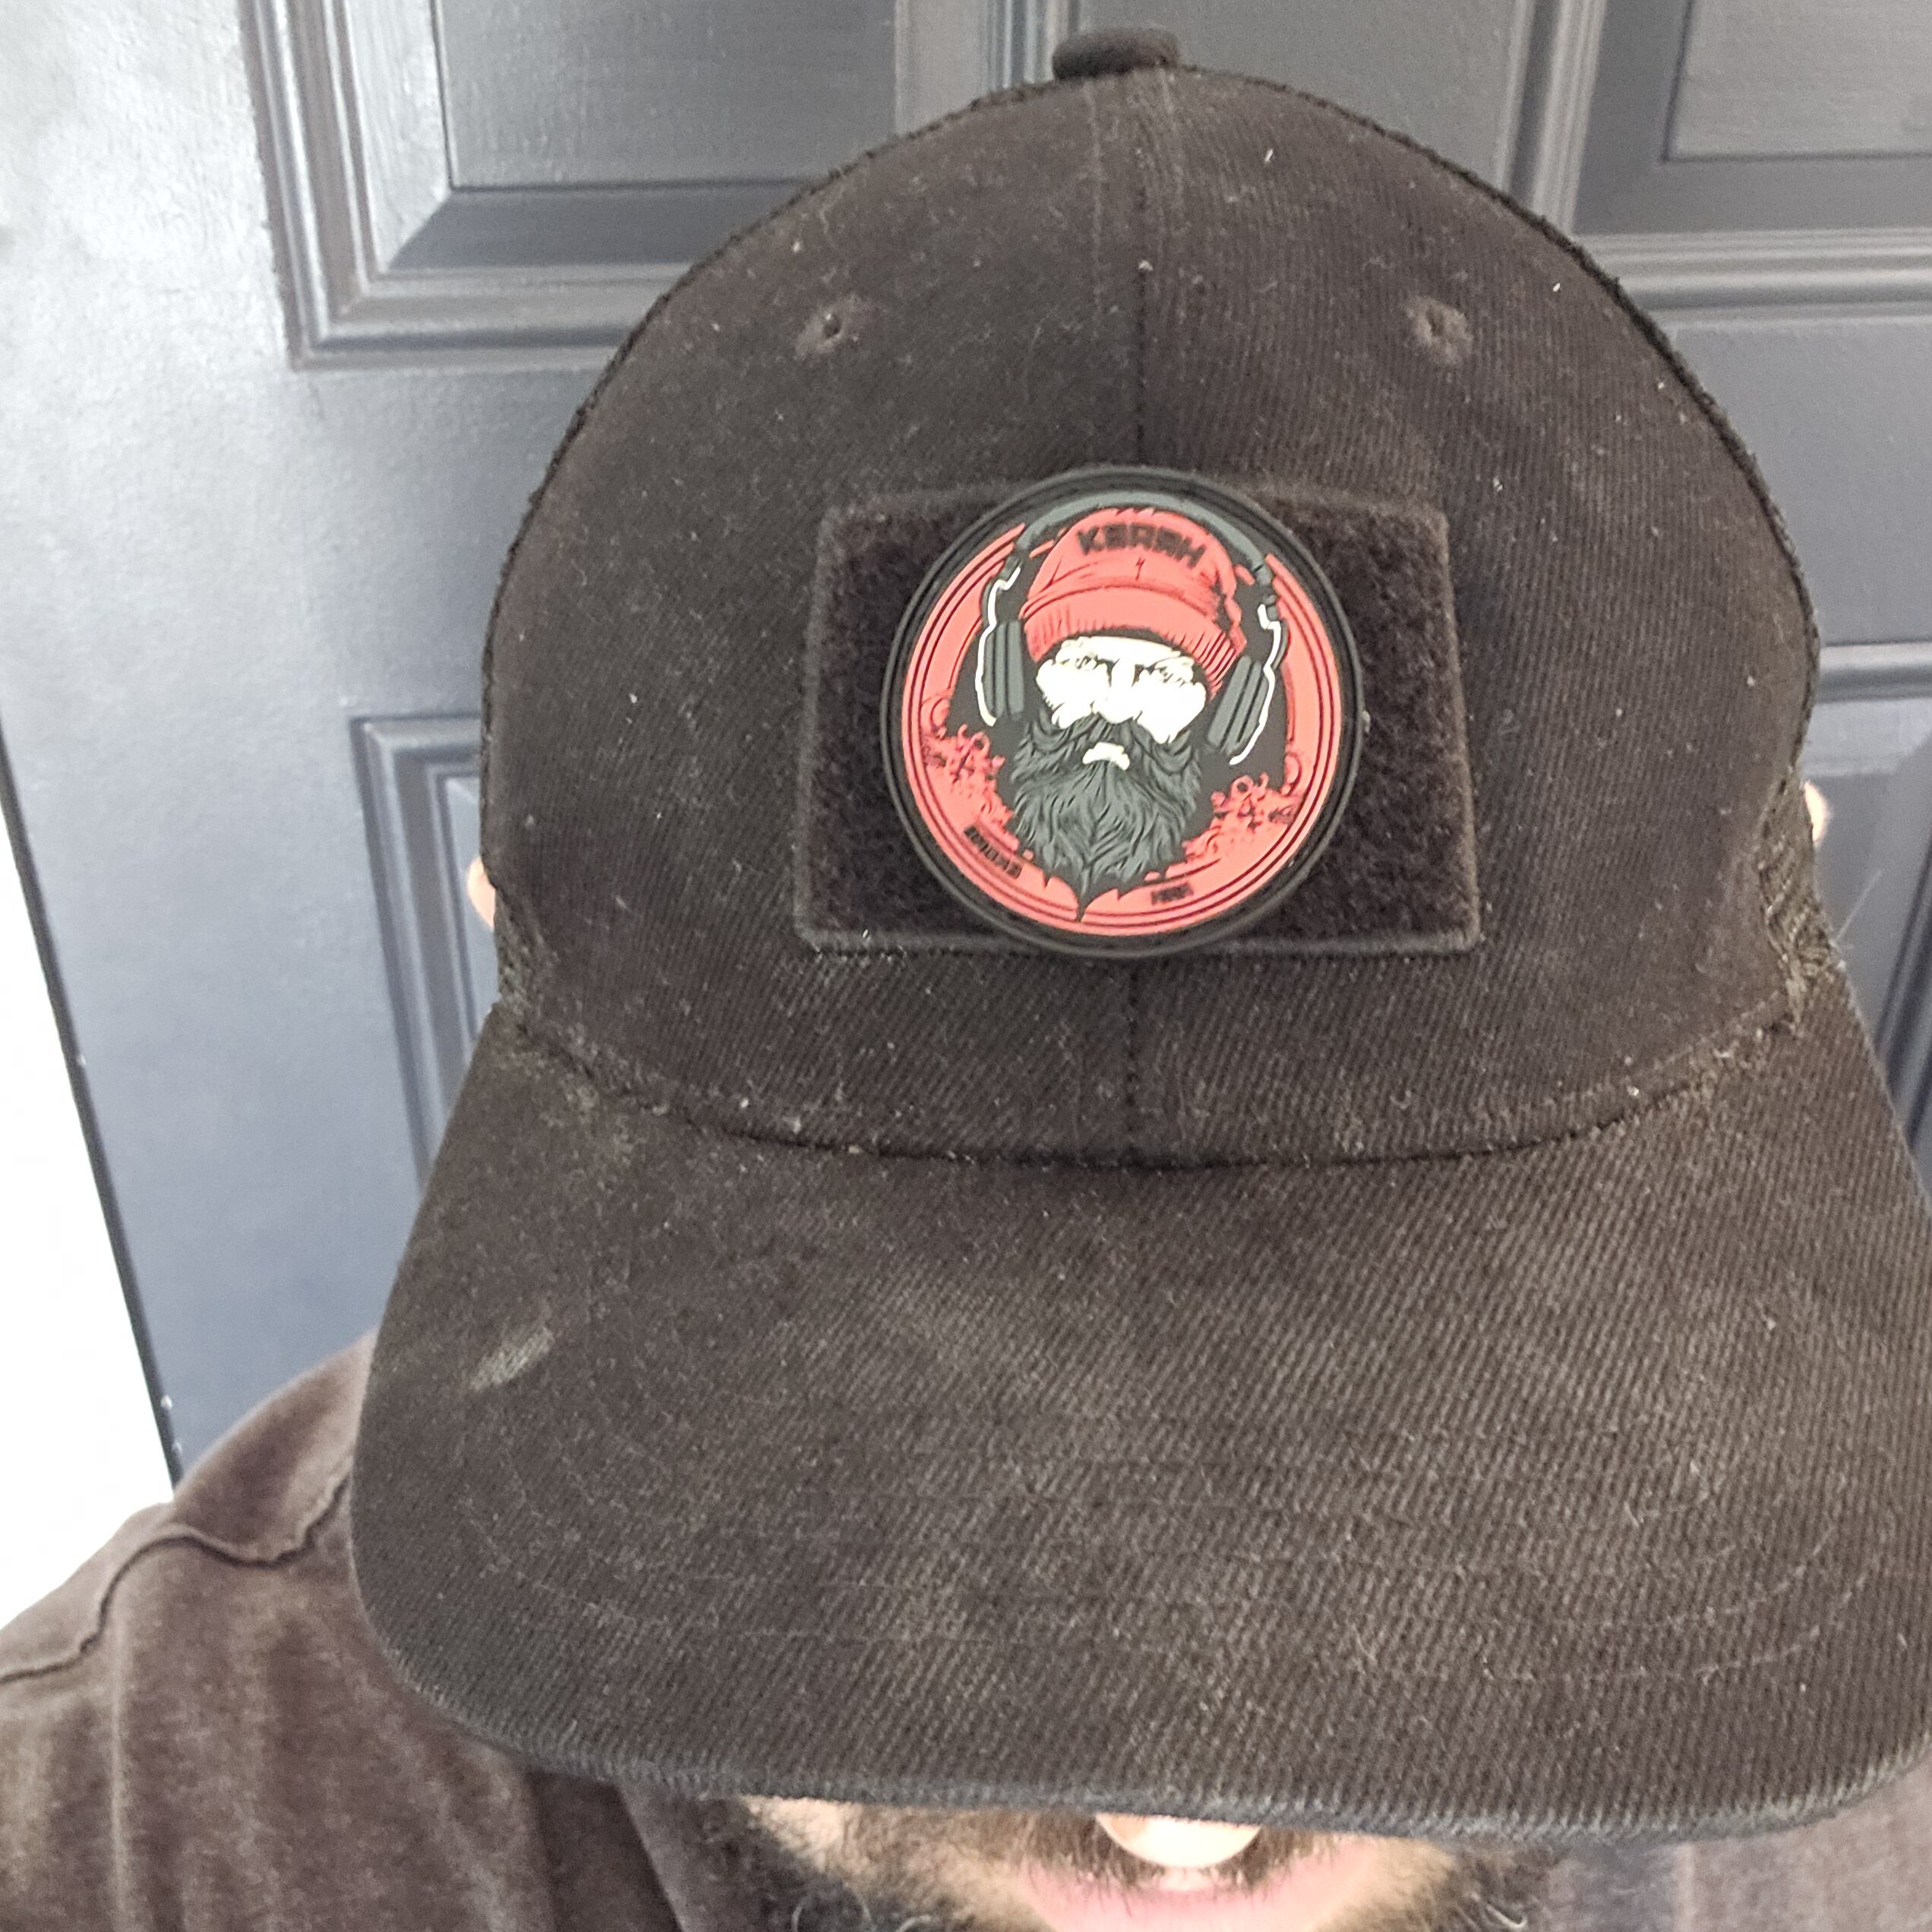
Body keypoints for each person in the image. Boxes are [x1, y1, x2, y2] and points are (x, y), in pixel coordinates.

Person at [9, 29, 1932, 1932]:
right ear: (514, 935)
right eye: (887, 1486)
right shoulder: (134, 1833)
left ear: (1796, 934)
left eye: (1457, 1464)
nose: (1177, 1842)